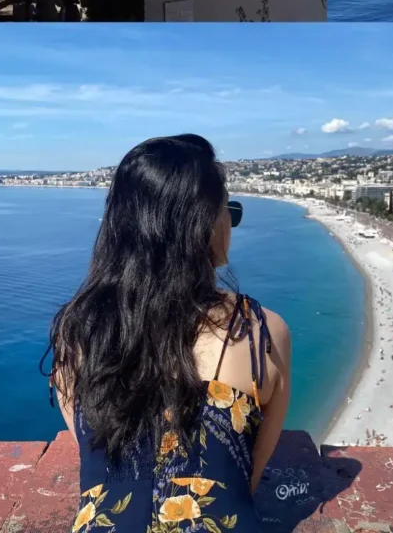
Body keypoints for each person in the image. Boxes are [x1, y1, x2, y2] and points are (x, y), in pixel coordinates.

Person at [44, 135, 291, 533]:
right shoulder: (263, 333)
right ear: (205, 223)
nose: (231, 221)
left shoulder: (76, 334)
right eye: (228, 209)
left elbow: (98, 462)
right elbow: (249, 476)